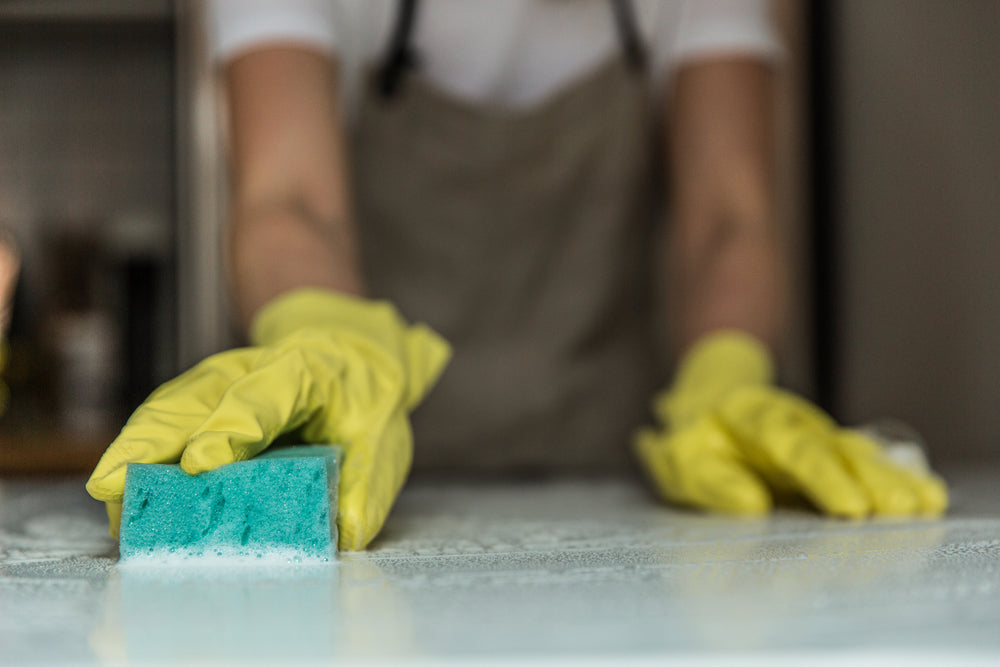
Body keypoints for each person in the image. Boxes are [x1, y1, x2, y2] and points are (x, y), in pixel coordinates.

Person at [86, 0, 947, 550]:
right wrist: (328, 339)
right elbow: (288, 197)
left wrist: (730, 366)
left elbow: (731, 218)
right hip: (376, 485)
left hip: (616, 493)